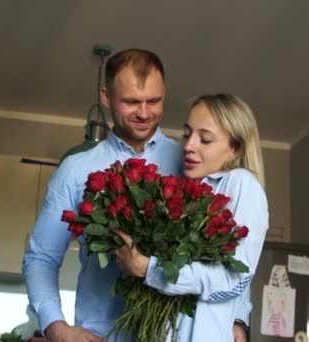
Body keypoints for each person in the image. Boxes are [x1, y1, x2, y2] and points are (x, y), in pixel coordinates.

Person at [22, 49, 251, 342]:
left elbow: (229, 251)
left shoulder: (193, 159)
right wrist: (55, 327)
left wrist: (239, 320)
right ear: (106, 97)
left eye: (154, 101)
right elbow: (41, 257)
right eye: (131, 102)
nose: (144, 113)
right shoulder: (75, 170)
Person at [114, 93, 268, 341]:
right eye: (187, 134)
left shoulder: (241, 184)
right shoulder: (186, 188)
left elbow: (234, 279)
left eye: (204, 139)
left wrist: (148, 268)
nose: (188, 145)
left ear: (235, 147)